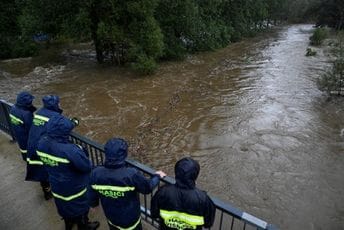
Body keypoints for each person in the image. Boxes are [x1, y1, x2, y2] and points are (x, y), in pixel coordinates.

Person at [36, 114, 99, 230]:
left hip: (56, 184)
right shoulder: (71, 150)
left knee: (63, 205)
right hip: (74, 187)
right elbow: (86, 167)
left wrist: (72, 123)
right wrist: (81, 149)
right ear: (64, 132)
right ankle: (84, 225)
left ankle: (68, 224)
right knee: (80, 207)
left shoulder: (41, 143)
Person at [89, 138, 166, 230]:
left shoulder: (96, 173)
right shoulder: (131, 174)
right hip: (130, 220)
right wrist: (157, 176)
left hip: (111, 217)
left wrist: (94, 204)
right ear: (124, 154)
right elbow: (147, 188)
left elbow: (91, 192)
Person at [151, 157, 216, 230]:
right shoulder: (203, 199)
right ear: (195, 175)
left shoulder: (163, 192)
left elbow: (154, 213)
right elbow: (208, 223)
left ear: (176, 172)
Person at [26, 95, 63, 200]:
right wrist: (74, 122)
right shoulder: (55, 116)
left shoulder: (39, 113)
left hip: (32, 147)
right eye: (58, 103)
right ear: (55, 104)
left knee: (40, 169)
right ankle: (53, 190)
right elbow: (65, 125)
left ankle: (46, 191)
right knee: (51, 168)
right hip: (43, 147)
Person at [9, 91, 36, 161]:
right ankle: (31, 160)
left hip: (18, 133)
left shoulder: (13, 108)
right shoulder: (26, 114)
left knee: (23, 148)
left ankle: (25, 158)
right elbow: (31, 129)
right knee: (29, 149)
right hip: (26, 136)